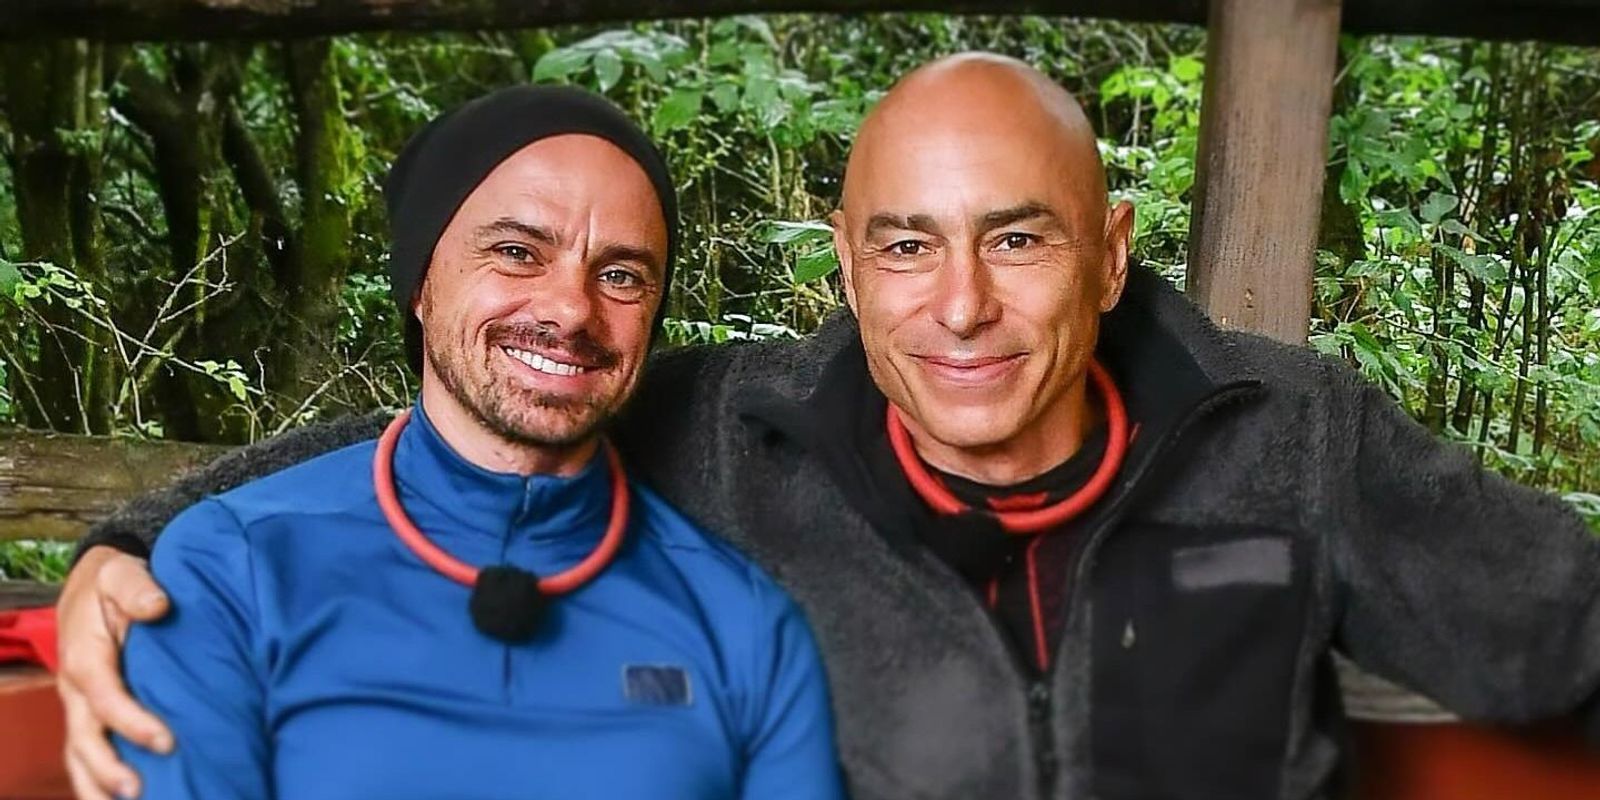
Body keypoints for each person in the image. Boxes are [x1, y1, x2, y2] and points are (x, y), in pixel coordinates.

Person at [61, 54, 1600, 800]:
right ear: (851, 269)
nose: (961, 308)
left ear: (1110, 253)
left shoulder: (1292, 436)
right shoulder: (745, 437)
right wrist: (130, 542)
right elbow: (490, 408)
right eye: (907, 246)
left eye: (1018, 239)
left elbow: (1566, 631)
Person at [95, 84, 843, 800]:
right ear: (420, 283)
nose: (570, 310)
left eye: (620, 275)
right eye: (517, 252)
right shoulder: (232, 570)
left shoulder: (742, 623)